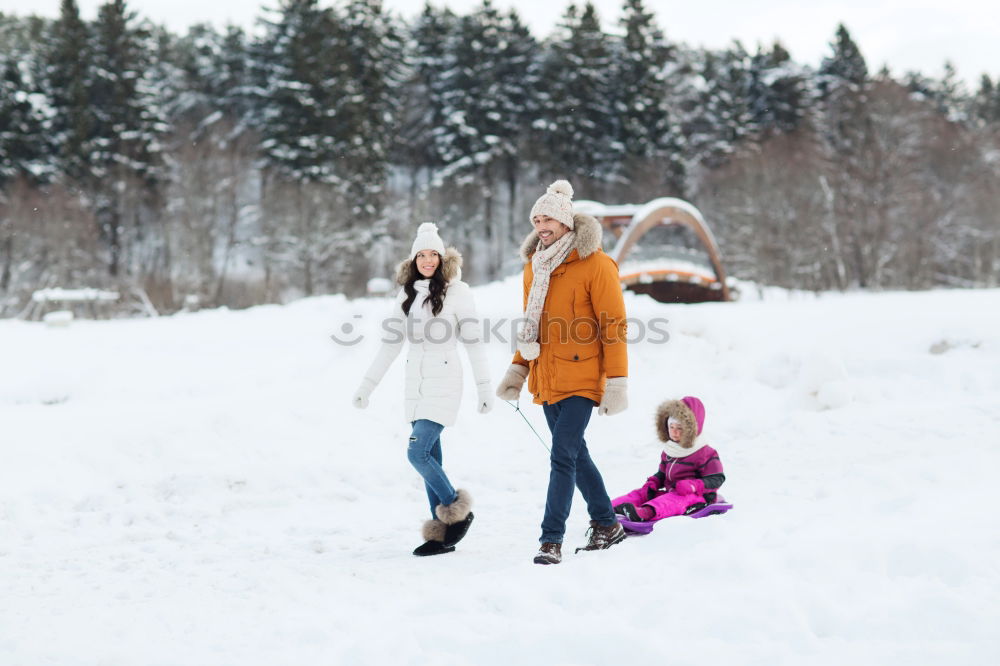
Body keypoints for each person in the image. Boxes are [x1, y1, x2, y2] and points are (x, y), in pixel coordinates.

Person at [495, 180, 629, 565]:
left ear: (566, 220)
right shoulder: (534, 267)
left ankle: (550, 539)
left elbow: (614, 325)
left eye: (548, 217)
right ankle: (607, 523)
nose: (541, 224)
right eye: (536, 218)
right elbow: (529, 325)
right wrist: (518, 370)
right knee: (575, 454)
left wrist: (617, 382)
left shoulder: (597, 265)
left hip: (584, 377)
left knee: (561, 456)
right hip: (546, 377)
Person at [353, 222, 492, 557]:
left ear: (442, 258)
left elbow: (474, 344)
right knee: (433, 456)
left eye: (434, 254)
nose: (428, 260)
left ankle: (457, 509)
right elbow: (390, 346)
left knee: (417, 453)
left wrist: (485, 388)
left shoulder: (459, 293)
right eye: (422, 254)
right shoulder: (408, 294)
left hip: (444, 381)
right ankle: (440, 536)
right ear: (413, 258)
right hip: (415, 386)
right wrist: (366, 386)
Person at [611, 396, 726, 522]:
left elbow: (717, 478)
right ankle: (612, 506)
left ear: (691, 429)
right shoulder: (671, 449)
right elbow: (663, 472)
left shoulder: (705, 452)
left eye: (680, 428)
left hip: (696, 496)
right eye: (671, 427)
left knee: (673, 500)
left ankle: (646, 512)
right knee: (643, 493)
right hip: (671, 491)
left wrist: (693, 486)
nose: (674, 432)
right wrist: (655, 481)